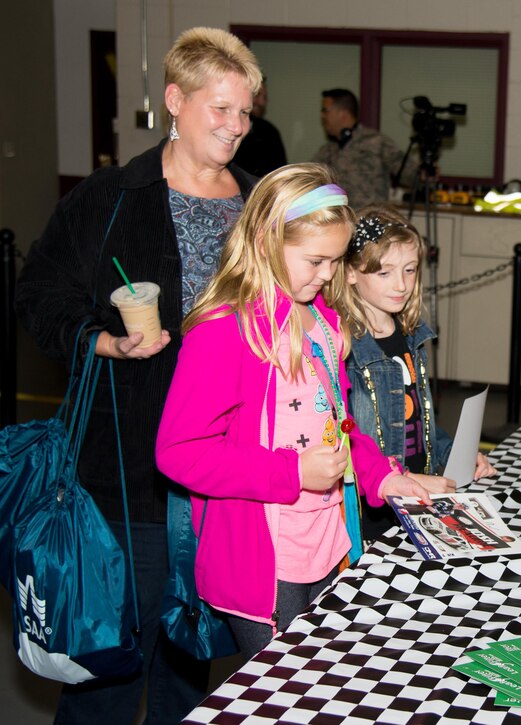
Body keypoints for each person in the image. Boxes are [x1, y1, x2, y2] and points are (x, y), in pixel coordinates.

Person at [16, 27, 261, 724]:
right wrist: (102, 342)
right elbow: (39, 293)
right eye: (221, 109)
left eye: (245, 113)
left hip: (228, 474)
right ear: (175, 100)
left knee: (196, 664)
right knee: (111, 665)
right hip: (128, 472)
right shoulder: (110, 198)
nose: (236, 126)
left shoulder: (257, 204)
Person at [155, 163, 432, 661]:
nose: (328, 275)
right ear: (265, 242)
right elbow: (179, 452)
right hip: (265, 559)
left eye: (335, 261)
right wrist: (293, 471)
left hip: (329, 541)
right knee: (285, 696)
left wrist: (380, 475)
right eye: (315, 261)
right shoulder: (225, 330)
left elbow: (340, 422)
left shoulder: (323, 321)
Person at [330, 205, 496, 540]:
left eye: (409, 270)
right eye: (384, 273)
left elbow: (421, 420)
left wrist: (455, 454)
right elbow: (345, 439)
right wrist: (402, 477)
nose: (401, 285)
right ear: (350, 272)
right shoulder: (343, 345)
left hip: (421, 489)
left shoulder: (412, 334)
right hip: (375, 504)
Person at [312, 88, 419, 208]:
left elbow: (411, 175)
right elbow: (308, 180)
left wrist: (425, 174)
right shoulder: (327, 150)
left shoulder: (376, 142)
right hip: (339, 223)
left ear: (343, 113)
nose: (322, 116)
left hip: (371, 220)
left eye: (325, 111)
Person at [232, 75, 287, 177]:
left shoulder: (270, 131)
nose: (262, 102)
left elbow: (279, 174)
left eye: (265, 97)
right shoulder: (229, 129)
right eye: (257, 95)